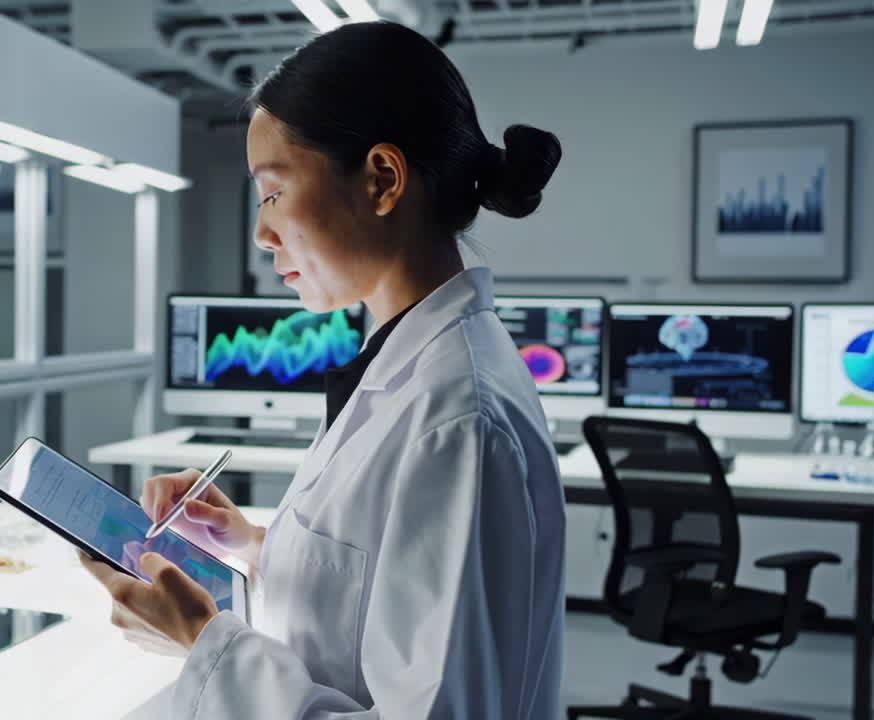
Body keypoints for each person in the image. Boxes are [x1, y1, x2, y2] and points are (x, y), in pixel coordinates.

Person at [79, 20, 566, 719]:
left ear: (382, 180)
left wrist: (202, 643)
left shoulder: (459, 418)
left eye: (274, 193)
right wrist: (251, 544)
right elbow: (378, 584)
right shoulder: (405, 362)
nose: (260, 233)